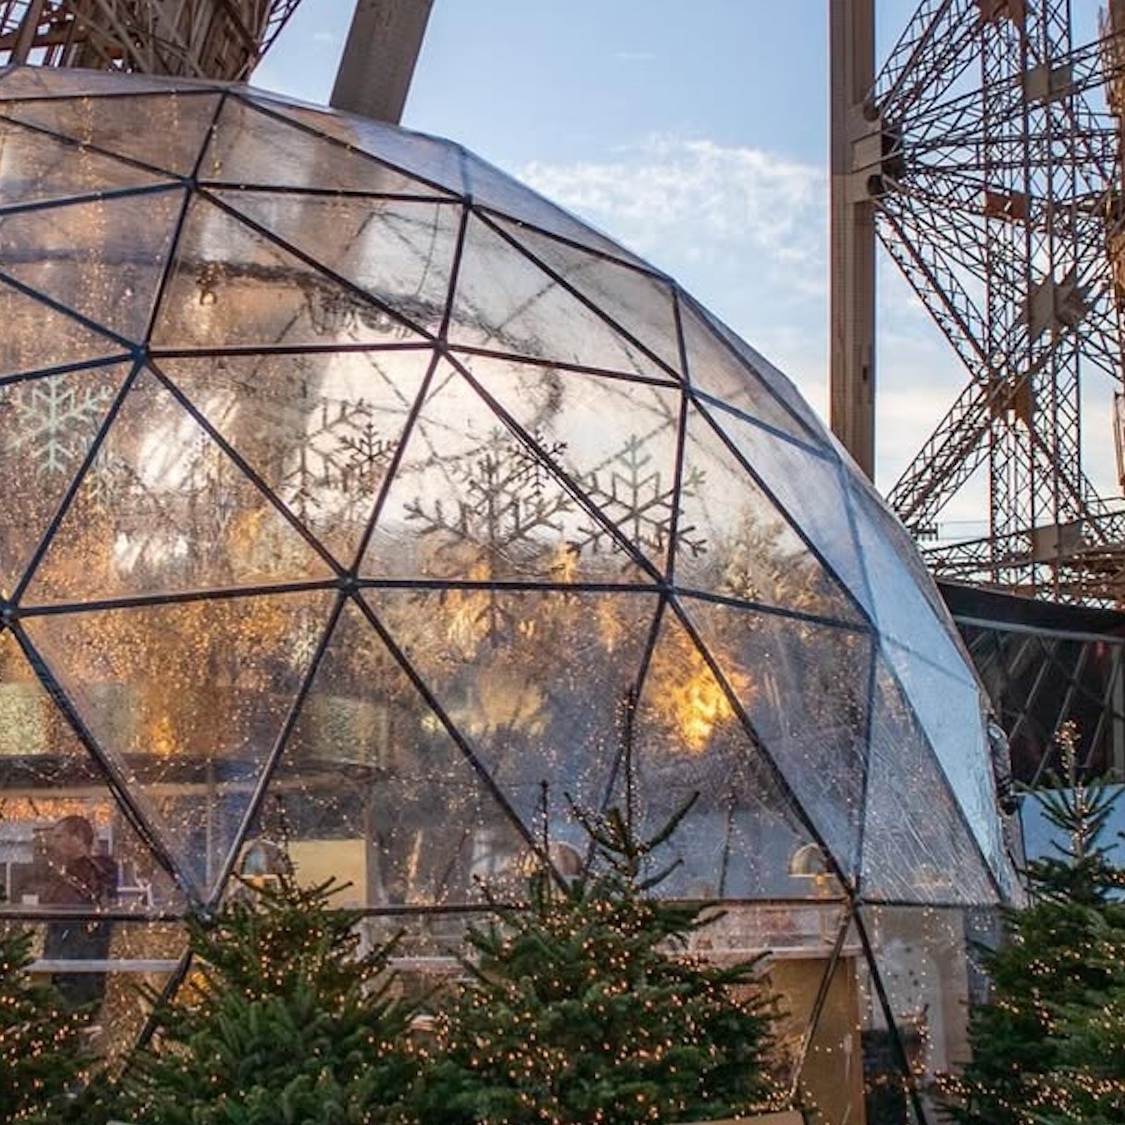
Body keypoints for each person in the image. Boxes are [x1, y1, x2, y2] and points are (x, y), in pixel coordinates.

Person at [39, 815, 117, 1010]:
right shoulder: (60, 871)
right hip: (61, 953)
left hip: (83, 956)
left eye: (59, 836)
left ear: (78, 837)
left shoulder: (97, 870)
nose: (54, 843)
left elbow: (91, 900)